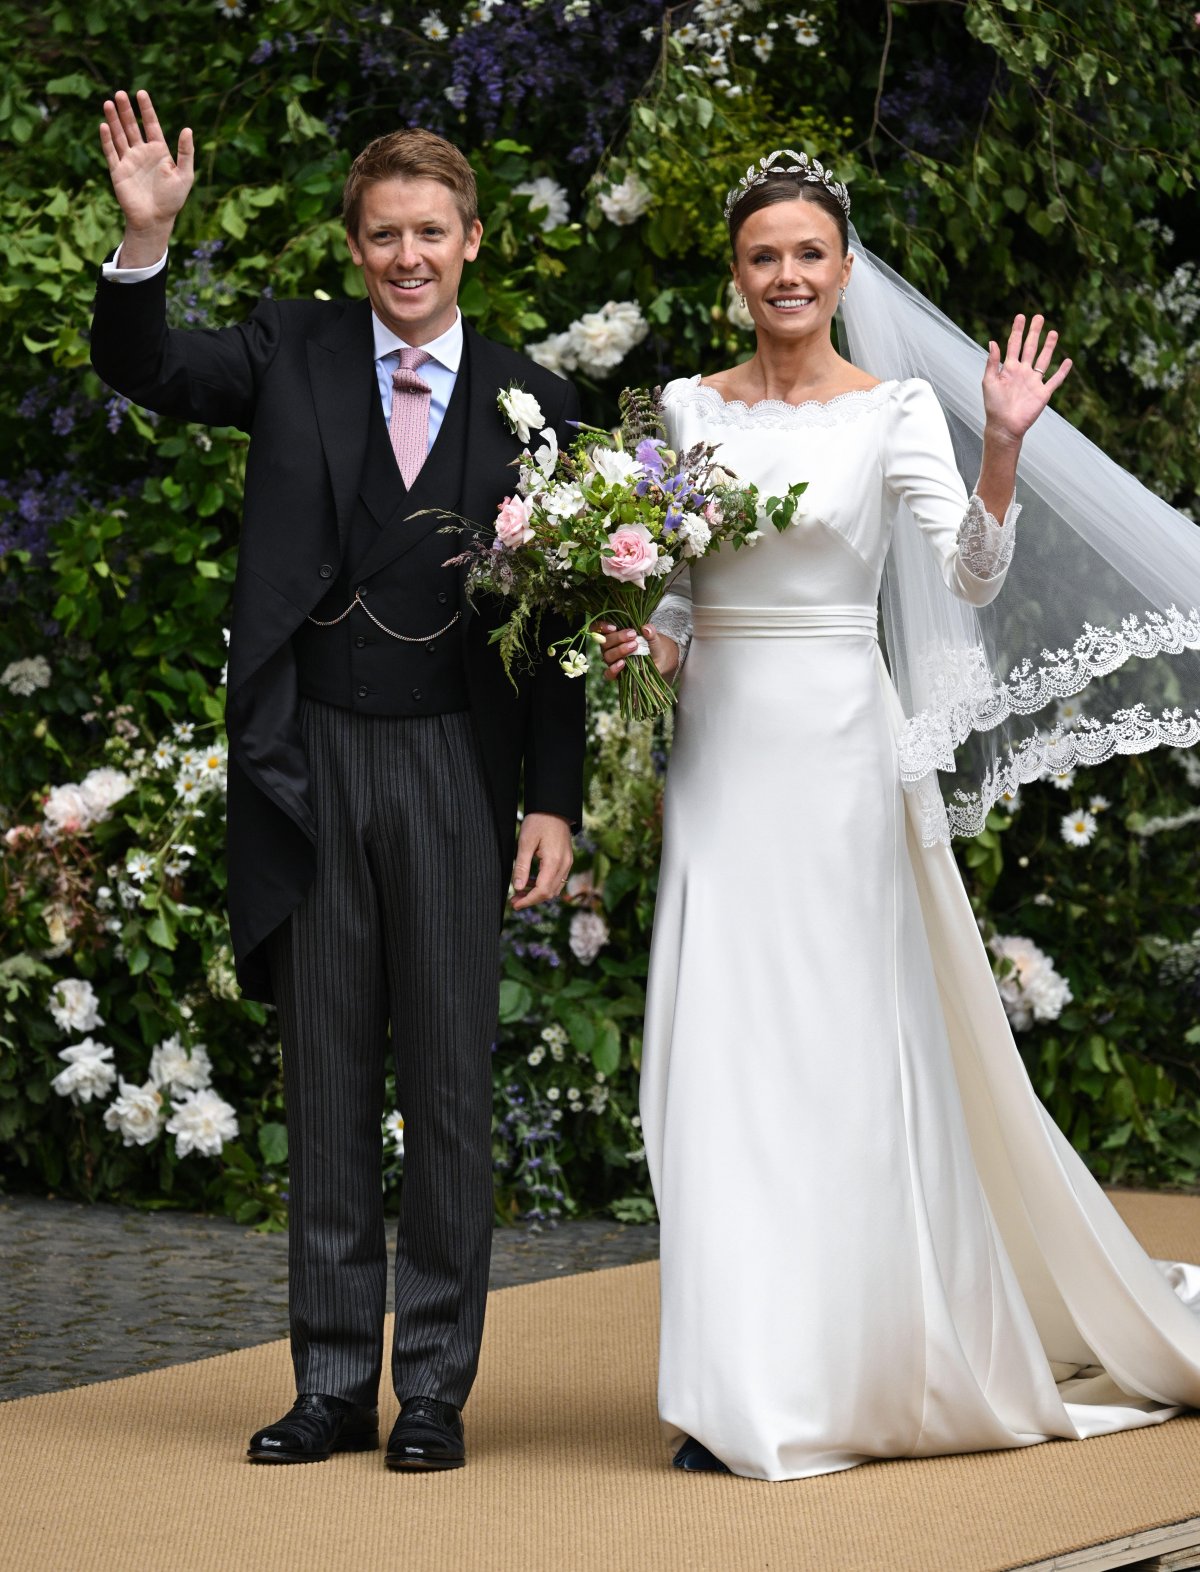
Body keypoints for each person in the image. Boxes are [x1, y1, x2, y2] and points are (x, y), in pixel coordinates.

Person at [599, 150, 1200, 1481]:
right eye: (766, 256)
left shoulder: (892, 414)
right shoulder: (688, 409)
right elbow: (691, 596)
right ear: (737, 275)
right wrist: (641, 639)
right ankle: (734, 1383)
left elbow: (973, 581)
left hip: (839, 762)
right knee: (717, 1062)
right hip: (719, 764)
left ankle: (852, 1370)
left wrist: (999, 444)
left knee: (839, 1061)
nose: (790, 277)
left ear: (844, 269)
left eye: (811, 254)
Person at [91, 90, 584, 1471]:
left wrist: (553, 798)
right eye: (383, 235)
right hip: (311, 759)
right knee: (323, 1076)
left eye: (431, 231)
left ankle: (429, 1388)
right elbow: (150, 371)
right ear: (355, 245)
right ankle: (327, 1384)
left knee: (445, 1084)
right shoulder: (293, 349)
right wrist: (145, 244)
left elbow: (554, 635)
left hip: (452, 763)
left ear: (472, 240)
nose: (406, 256)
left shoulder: (532, 399)